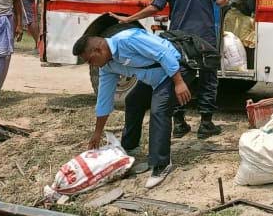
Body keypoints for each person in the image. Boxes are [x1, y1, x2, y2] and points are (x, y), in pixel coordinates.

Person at [118, 0, 227, 139]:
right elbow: (221, 1)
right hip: (204, 37)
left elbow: (155, 6)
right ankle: (205, 124)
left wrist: (129, 18)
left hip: (178, 39)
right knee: (207, 78)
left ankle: (179, 123)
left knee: (179, 76)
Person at [73, 30, 192, 189]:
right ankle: (130, 149)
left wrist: (178, 82)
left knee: (159, 110)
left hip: (176, 69)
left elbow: (163, 53)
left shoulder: (127, 39)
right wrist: (97, 133)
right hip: (153, 78)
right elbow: (104, 99)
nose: (91, 65)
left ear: (98, 50)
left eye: (90, 61)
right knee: (133, 100)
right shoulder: (106, 66)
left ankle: (161, 165)